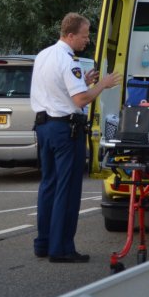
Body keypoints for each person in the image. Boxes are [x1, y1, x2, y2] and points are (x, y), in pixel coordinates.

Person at [31, 13, 122, 263]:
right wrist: (102, 84)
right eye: (84, 35)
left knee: (48, 185)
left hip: (44, 127)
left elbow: (57, 88)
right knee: (67, 189)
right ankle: (61, 248)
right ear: (70, 35)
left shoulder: (44, 55)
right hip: (65, 130)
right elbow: (80, 100)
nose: (87, 39)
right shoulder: (68, 60)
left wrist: (85, 81)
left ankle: (44, 243)